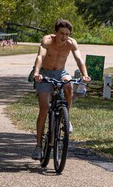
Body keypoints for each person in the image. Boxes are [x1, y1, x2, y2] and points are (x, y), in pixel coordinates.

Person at [31, 19, 91, 160]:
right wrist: (36, 73)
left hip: (61, 72)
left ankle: (66, 117)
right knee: (44, 108)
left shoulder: (71, 43)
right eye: (62, 33)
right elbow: (40, 56)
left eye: (67, 34)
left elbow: (79, 59)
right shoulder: (47, 41)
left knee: (69, 86)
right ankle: (39, 146)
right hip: (44, 73)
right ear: (55, 33)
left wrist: (85, 75)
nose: (64, 37)